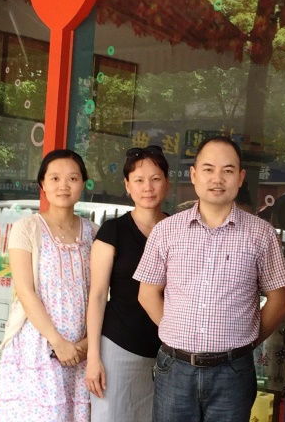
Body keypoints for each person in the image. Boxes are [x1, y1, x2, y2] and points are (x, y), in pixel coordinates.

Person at [135, 135, 285, 422]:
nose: (217, 178)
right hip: (175, 368)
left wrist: (246, 341)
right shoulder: (166, 231)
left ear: (241, 177)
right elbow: (147, 294)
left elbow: (280, 299)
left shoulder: (261, 234)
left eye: (228, 170)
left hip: (233, 371)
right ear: (194, 175)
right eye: (208, 169)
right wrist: (179, 332)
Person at [0, 149, 97, 422]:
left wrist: (89, 342)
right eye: (54, 178)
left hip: (81, 351)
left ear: (83, 183)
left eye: (72, 178)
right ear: (42, 184)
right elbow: (26, 292)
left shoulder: (94, 233)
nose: (63, 185)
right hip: (37, 347)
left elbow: (100, 293)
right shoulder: (26, 228)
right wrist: (57, 342)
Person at [85, 145, 169, 422]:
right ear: (127, 186)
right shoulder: (113, 232)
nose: (148, 187)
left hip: (168, 353)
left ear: (166, 182)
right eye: (139, 180)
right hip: (118, 348)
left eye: (155, 179)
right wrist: (94, 357)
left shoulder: (178, 230)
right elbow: (97, 296)